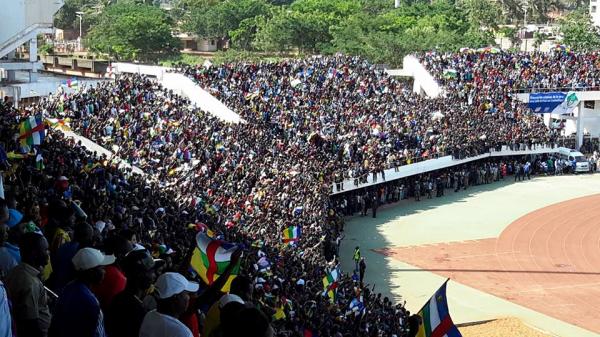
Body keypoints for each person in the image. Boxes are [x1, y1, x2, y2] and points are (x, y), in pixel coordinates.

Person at [49, 247, 115, 337]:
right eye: (102, 268)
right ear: (91, 272)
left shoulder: (70, 287)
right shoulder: (90, 302)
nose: (105, 272)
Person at [5, 232, 51, 337]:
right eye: (45, 249)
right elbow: (30, 324)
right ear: (34, 253)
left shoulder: (17, 270)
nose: (48, 253)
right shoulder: (30, 283)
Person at [106, 249, 159, 337]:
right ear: (140, 275)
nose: (154, 276)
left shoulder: (119, 298)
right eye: (151, 272)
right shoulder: (136, 310)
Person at [139, 272, 199, 337]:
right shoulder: (183, 333)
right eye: (186, 293)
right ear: (176, 298)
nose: (189, 297)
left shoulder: (150, 315)